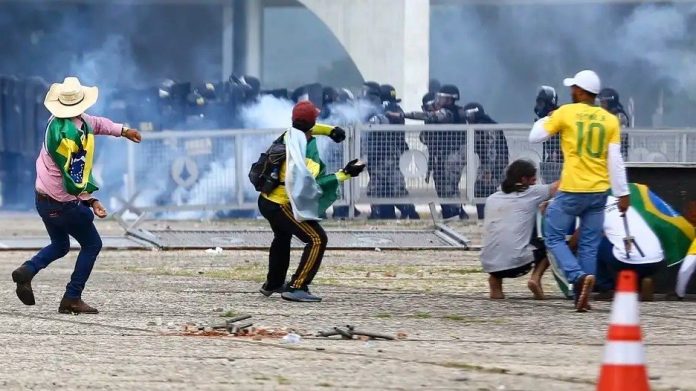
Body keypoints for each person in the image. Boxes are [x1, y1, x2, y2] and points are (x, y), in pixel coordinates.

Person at [11, 77, 142, 314]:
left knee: (60, 245)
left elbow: (97, 124)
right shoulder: (65, 138)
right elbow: (74, 178)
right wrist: (91, 201)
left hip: (43, 200)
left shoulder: (68, 121)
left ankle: (28, 271)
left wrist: (122, 130)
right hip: (62, 202)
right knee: (92, 243)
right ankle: (72, 297)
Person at [529, 70, 630, 312]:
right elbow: (615, 161)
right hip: (599, 192)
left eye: (573, 87)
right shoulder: (609, 120)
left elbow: (535, 137)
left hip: (573, 188)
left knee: (552, 235)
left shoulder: (566, 113)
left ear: (581, 91)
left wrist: (549, 117)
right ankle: (581, 296)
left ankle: (576, 277)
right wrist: (623, 194)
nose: (570, 91)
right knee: (589, 245)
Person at [258, 101, 365, 302]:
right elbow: (313, 185)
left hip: (266, 200)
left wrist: (331, 131)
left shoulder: (289, 134)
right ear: (311, 122)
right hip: (280, 204)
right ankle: (297, 286)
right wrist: (345, 174)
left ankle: (273, 283)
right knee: (317, 239)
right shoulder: (306, 152)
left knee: (282, 237)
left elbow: (307, 127)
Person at [480, 160, 557, 300]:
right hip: (517, 264)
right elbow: (561, 186)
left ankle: (495, 286)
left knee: (501, 236)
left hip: (489, 264)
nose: (535, 183)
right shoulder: (531, 192)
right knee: (552, 243)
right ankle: (535, 278)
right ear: (524, 180)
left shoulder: (492, 198)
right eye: (533, 180)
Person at [406, 85, 468, 219]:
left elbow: (429, 117)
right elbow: (425, 138)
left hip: (452, 155)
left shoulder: (450, 113)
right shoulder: (440, 115)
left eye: (441, 98)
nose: (438, 101)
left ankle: (455, 215)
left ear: (450, 99)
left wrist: (404, 115)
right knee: (441, 186)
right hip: (441, 156)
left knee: (448, 187)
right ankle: (451, 215)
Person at [591, 195, 664, 301]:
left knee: (596, 241)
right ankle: (641, 282)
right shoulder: (625, 203)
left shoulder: (594, 209)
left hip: (626, 261)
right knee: (626, 243)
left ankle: (606, 288)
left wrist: (567, 246)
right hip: (656, 261)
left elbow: (583, 234)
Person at [364, 84, 419, 219]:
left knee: (387, 189)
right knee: (386, 189)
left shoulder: (385, 111)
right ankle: (388, 214)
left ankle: (408, 213)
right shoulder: (395, 109)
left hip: (385, 154)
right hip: (386, 154)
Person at [463, 102, 509, 219]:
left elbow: (491, 151)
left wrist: (488, 171)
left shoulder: (486, 127)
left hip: (494, 166)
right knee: (484, 191)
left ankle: (487, 219)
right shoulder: (482, 125)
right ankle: (487, 219)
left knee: (483, 190)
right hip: (491, 165)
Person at [597, 88, 630, 158]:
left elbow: (620, 139)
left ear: (610, 103)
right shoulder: (602, 115)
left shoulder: (620, 117)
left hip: (616, 156)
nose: (601, 105)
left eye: (603, 102)